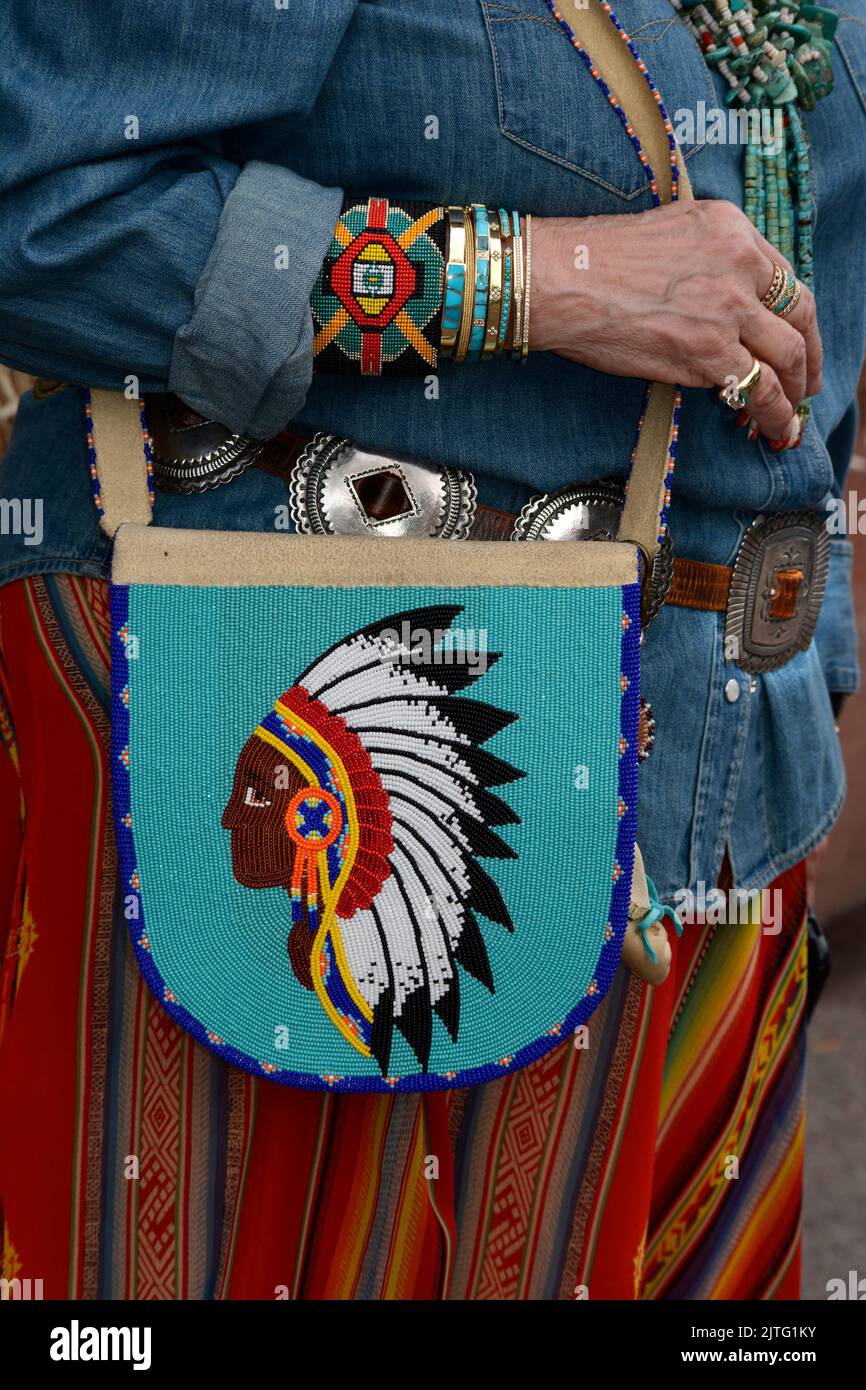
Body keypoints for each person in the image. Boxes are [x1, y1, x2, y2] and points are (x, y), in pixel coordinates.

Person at [0, 0, 863, 1300]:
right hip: (328, 738)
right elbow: (41, 212)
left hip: (719, 787)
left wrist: (812, 662)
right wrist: (540, 279)